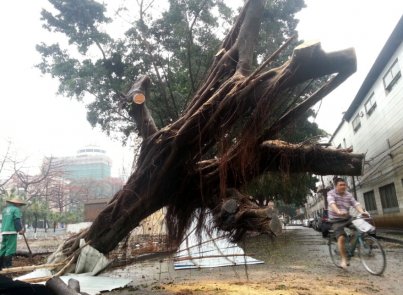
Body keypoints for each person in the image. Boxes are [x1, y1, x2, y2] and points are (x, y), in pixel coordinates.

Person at [327, 178, 368, 269]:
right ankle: (343, 259)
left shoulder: (348, 195)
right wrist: (338, 211)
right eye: (340, 185)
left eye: (344, 185)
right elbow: (331, 203)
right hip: (336, 219)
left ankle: (350, 249)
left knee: (360, 230)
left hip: (347, 218)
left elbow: (355, 204)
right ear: (336, 186)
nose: (343, 186)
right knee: (341, 238)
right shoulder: (331, 193)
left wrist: (362, 212)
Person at [0, 197, 26, 270]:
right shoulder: (16, 210)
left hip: (4, 231)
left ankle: (1, 265)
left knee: (3, 248)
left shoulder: (5, 210)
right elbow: (17, 220)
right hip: (11, 231)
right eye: (19, 204)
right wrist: (20, 230)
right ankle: (8, 266)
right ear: (17, 203)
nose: (20, 205)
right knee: (10, 249)